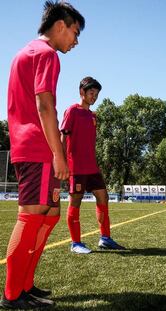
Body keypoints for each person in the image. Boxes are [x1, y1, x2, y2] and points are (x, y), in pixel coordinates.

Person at [1, 1, 85, 309]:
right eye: (75, 32)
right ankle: (12, 295)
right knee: (32, 215)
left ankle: (25, 285)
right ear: (61, 25)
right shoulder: (47, 54)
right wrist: (59, 153)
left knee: (50, 215)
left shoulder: (25, 52)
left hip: (31, 146)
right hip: (38, 147)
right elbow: (45, 106)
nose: (75, 40)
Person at [61, 77, 125, 254]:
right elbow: (64, 136)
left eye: (96, 94)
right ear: (82, 92)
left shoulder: (93, 116)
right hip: (76, 166)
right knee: (76, 201)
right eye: (91, 93)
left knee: (103, 196)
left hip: (92, 167)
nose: (94, 96)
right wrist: (61, 160)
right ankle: (76, 243)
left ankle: (105, 238)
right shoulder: (72, 111)